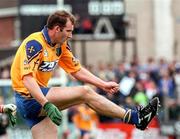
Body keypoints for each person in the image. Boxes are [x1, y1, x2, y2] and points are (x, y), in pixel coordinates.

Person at [10, 10, 160, 139]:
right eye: (68, 31)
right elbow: (27, 79)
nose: (71, 35)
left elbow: (76, 70)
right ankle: (136, 117)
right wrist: (46, 104)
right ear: (57, 29)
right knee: (85, 92)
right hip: (29, 98)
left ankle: (137, 118)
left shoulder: (59, 46)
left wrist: (103, 84)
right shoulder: (35, 44)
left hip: (37, 103)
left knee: (85, 94)